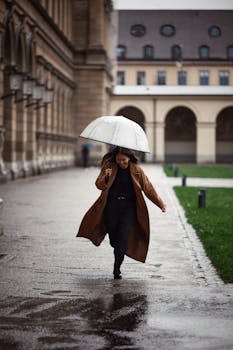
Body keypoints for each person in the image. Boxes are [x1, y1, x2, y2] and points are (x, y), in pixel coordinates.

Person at [76, 146, 166, 279]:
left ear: (129, 158)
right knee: (114, 239)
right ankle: (117, 247)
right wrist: (106, 177)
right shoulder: (109, 167)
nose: (121, 162)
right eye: (118, 160)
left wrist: (161, 204)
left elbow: (148, 189)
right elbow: (99, 185)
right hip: (111, 207)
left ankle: (116, 268)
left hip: (128, 209)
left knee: (122, 239)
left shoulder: (137, 170)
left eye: (124, 160)